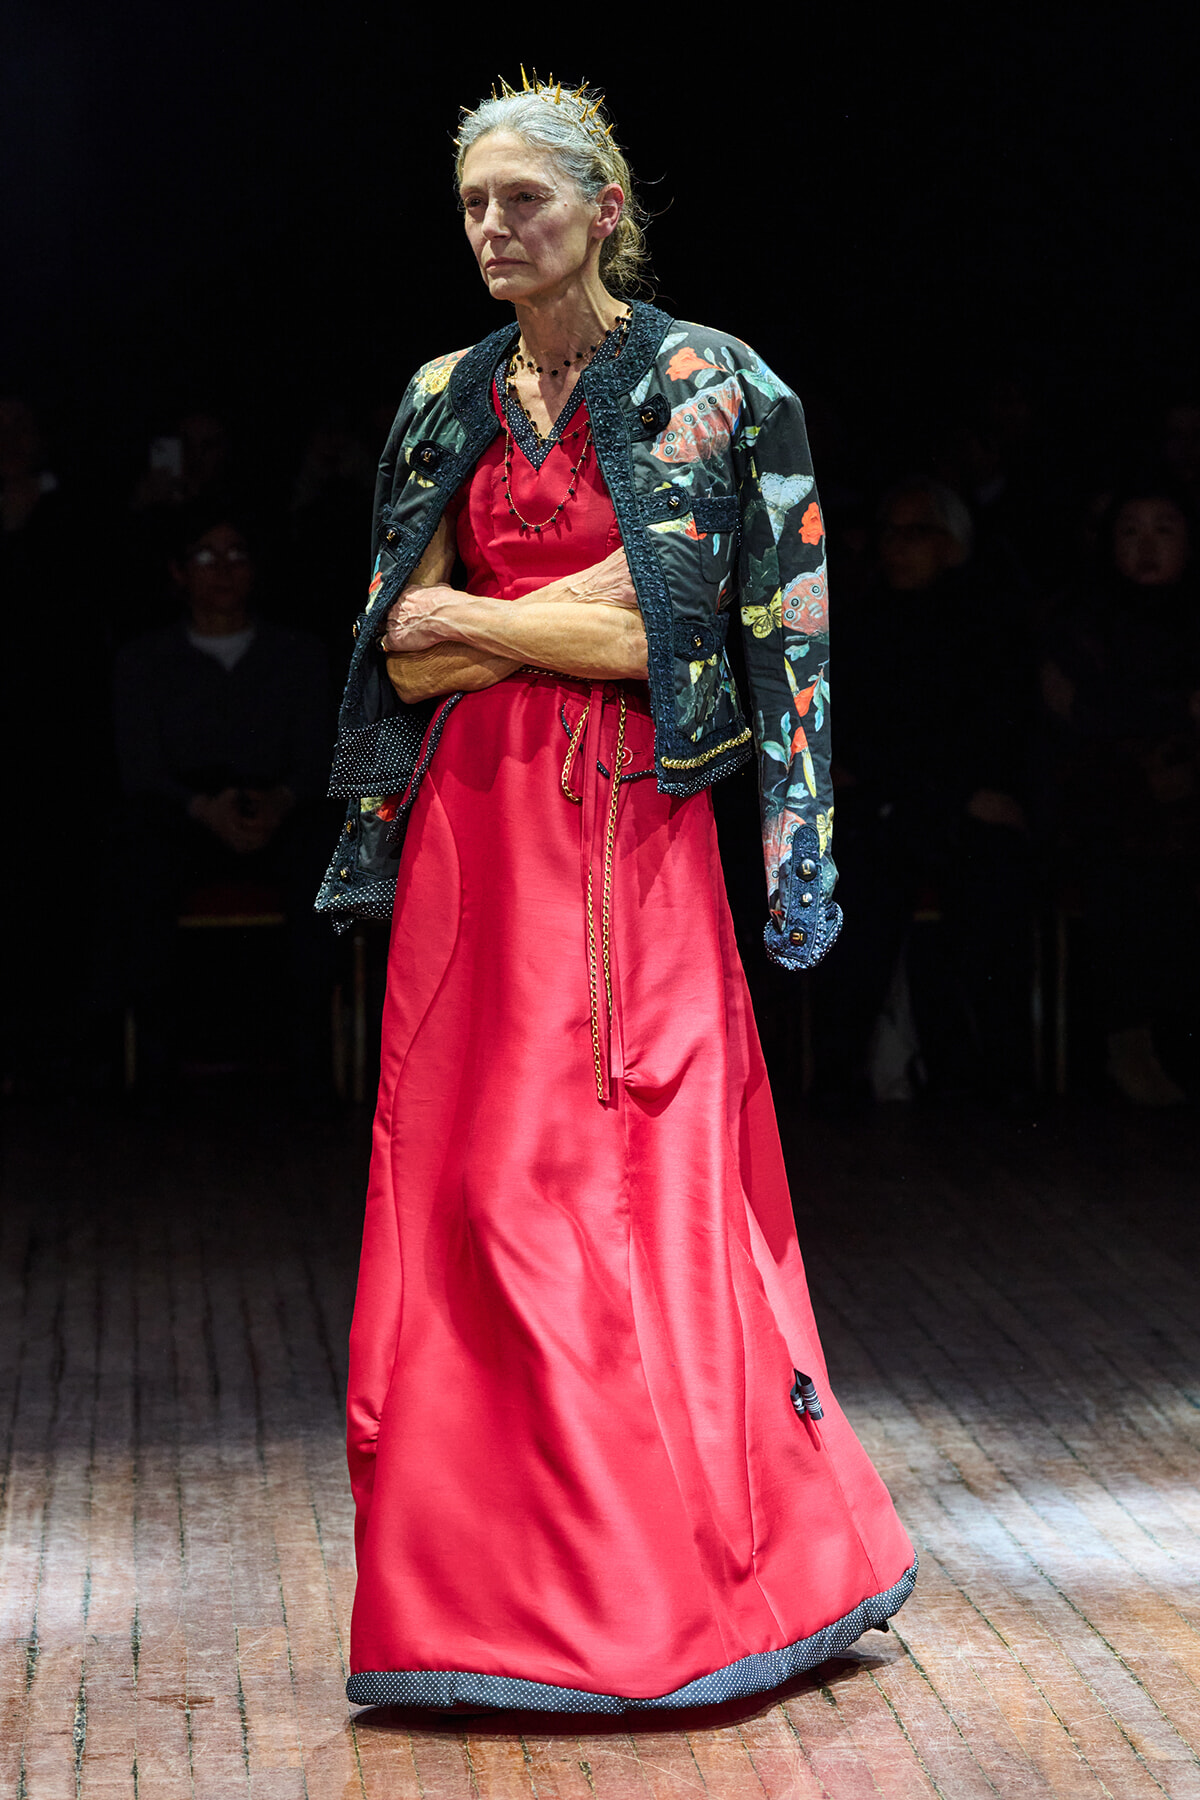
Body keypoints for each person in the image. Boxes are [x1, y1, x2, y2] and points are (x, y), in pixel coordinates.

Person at [319, 77, 915, 1713]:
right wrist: (574, 608)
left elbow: (703, 639)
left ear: (603, 207)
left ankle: (673, 1588)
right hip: (469, 840)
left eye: (524, 199)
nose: (495, 230)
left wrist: (499, 626)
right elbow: (395, 633)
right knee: (470, 1196)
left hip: (622, 842)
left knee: (621, 1182)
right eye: (474, 206)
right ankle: (479, 1595)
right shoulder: (442, 397)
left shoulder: (709, 384)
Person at [1041, 481, 1200, 1104]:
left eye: (1164, 529)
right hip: (1108, 804)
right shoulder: (1081, 620)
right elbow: (1073, 710)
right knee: (1126, 848)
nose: (1146, 547)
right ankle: (1129, 1046)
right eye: (1130, 531)